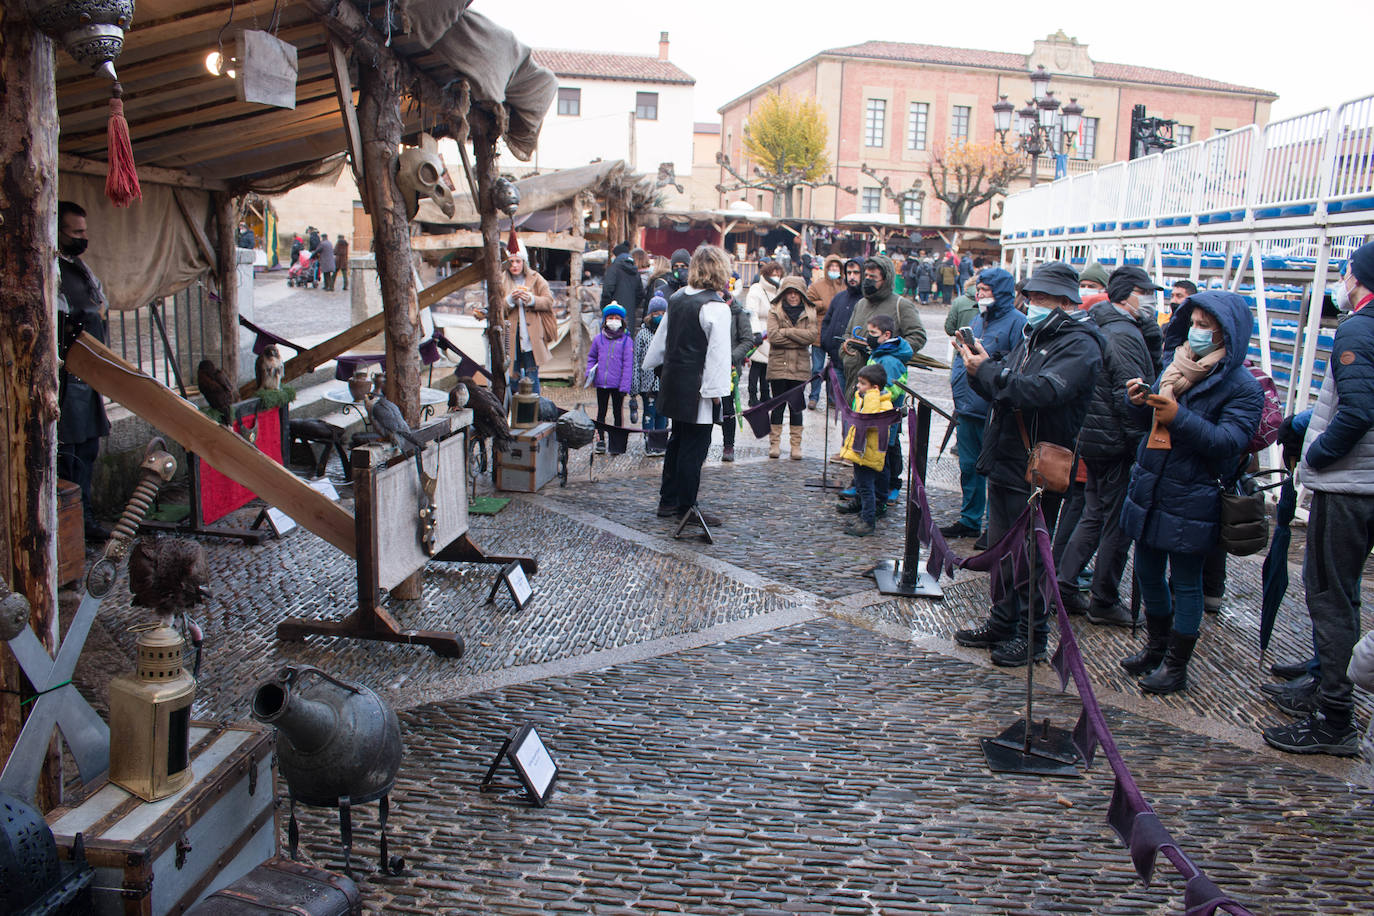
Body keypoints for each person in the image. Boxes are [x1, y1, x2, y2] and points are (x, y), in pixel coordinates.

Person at [952, 261, 1104, 667]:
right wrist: (978, 367)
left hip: (1038, 464)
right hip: (1006, 458)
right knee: (1003, 552)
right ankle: (1002, 621)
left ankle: (1032, 635)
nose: (1032, 303)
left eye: (1041, 298)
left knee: (1031, 557)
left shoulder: (1080, 344)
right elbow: (1005, 386)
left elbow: (1039, 392)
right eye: (1031, 296)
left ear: (1064, 302)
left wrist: (988, 371)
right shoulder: (1034, 335)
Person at [1117, 291, 1262, 694]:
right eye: (1192, 323)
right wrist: (1138, 403)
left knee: (1185, 581)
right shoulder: (1174, 363)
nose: (1195, 332)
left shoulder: (1242, 386)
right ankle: (1155, 647)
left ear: (1224, 335)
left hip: (1195, 493)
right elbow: (1152, 421)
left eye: (1205, 326)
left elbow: (1229, 442)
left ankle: (1177, 665)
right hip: (1153, 484)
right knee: (1146, 572)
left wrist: (1179, 417)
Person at [1262, 245, 1374, 756]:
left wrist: (1315, 459)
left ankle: (1335, 718)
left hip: (1349, 486)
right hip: (1359, 484)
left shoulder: (1357, 328)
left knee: (1330, 596)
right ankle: (1326, 686)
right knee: (1343, 595)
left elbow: (1355, 412)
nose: (1342, 281)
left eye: (1347, 272)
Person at [1057, 266, 1158, 626]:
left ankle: (1064, 585)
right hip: (1114, 439)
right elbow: (1129, 394)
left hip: (1094, 436)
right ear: (1127, 294)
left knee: (1094, 514)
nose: (1150, 300)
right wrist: (1138, 443)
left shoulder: (1099, 323)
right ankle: (1103, 598)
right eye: (1145, 293)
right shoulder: (1123, 333)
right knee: (1115, 523)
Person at [645, 245, 734, 527]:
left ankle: (667, 501)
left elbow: (660, 342)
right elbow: (718, 356)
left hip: (673, 382)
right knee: (694, 446)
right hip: (698, 388)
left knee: (678, 441)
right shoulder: (716, 308)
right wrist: (717, 395)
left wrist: (660, 370)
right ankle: (686, 506)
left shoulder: (679, 297)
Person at [941, 268, 1026, 540]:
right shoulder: (977, 320)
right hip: (967, 405)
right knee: (968, 466)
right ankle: (970, 519)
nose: (979, 294)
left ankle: (994, 527)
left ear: (1000, 293)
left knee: (996, 471)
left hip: (993, 408)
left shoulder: (1018, 323)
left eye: (985, 290)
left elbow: (1017, 366)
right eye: (978, 289)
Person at [56, 201, 112, 541]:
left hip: (88, 379)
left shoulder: (81, 269)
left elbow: (99, 308)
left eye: (84, 231)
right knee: (69, 458)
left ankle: (86, 521)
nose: (83, 237)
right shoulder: (50, 271)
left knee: (87, 452)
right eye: (76, 232)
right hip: (65, 380)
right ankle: (71, 526)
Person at [766, 277, 820, 460]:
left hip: (800, 366)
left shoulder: (810, 312)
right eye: (789, 292)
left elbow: (811, 336)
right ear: (783, 293)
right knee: (778, 406)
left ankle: (795, 445)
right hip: (778, 365)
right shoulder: (775, 311)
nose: (793, 296)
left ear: (802, 294)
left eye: (796, 292)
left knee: (796, 407)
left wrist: (787, 332)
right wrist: (798, 338)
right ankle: (774, 444)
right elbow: (773, 337)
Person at [837, 364, 893, 537]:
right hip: (861, 452)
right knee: (861, 486)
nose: (858, 387)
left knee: (867, 488)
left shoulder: (881, 404)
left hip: (869, 454)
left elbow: (868, 419)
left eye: (862, 384)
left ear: (875, 388)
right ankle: (862, 515)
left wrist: (871, 396)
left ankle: (868, 521)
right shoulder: (866, 398)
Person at [500, 241, 555, 394]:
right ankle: (514, 412)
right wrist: (510, 300)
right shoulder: (502, 280)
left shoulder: (536, 278)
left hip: (532, 336)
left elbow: (549, 301)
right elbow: (496, 307)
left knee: (532, 375)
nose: (514, 265)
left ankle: (535, 413)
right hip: (511, 337)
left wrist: (531, 299)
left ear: (524, 262)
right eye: (511, 262)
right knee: (513, 376)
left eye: (518, 261)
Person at [586, 304, 636, 455]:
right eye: (610, 318)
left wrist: (625, 386)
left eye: (616, 318)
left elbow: (628, 365)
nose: (613, 320)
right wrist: (589, 373)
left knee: (617, 413)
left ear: (622, 320)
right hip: (602, 383)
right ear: (605, 320)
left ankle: (617, 442)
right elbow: (591, 358)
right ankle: (600, 439)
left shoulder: (627, 341)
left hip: (618, 385)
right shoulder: (598, 339)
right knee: (601, 412)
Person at [804, 255, 846, 409]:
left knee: (835, 369)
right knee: (817, 368)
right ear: (827, 268)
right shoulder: (817, 286)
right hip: (820, 332)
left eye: (837, 267)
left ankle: (832, 398)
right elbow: (808, 303)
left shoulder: (844, 287)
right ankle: (814, 397)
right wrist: (822, 304)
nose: (834, 270)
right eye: (831, 267)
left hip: (839, 334)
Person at [633, 294, 669, 456]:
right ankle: (649, 441)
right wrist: (635, 385)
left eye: (662, 313)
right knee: (649, 412)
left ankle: (660, 442)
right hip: (647, 384)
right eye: (656, 314)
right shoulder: (642, 334)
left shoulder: (669, 333)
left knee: (662, 413)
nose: (659, 317)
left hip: (665, 383)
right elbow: (636, 361)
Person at [720, 288, 753, 462]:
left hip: (729, 369)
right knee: (705, 410)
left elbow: (747, 339)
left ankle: (728, 445)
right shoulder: (705, 307)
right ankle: (702, 446)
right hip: (707, 367)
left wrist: (732, 357)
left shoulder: (738, 313)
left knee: (727, 408)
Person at [744, 262, 782, 405]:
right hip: (759, 331)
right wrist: (756, 332)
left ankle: (765, 394)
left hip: (772, 331)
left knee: (767, 366)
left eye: (778, 275)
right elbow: (751, 312)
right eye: (774, 274)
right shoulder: (756, 289)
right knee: (757, 366)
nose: (776, 277)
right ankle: (752, 396)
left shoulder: (778, 291)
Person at [819, 259, 865, 371]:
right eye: (849, 273)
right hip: (835, 360)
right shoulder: (839, 297)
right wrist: (826, 341)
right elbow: (827, 321)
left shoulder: (866, 300)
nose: (852, 277)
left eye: (856, 273)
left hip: (856, 362)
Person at [600, 241, 644, 336]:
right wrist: (632, 306)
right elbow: (640, 293)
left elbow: (607, 290)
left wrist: (604, 307)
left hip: (612, 315)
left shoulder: (613, 269)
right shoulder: (635, 271)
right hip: (630, 316)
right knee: (626, 342)